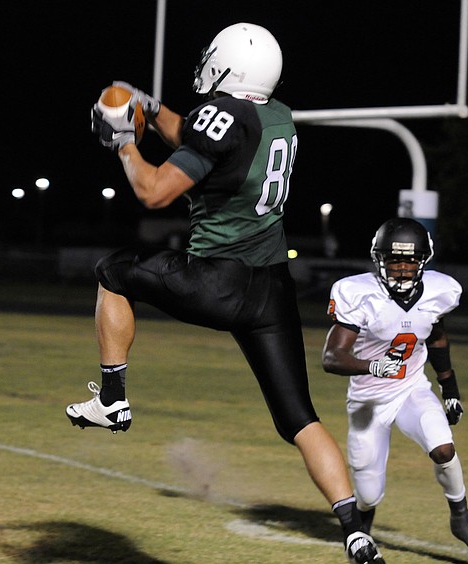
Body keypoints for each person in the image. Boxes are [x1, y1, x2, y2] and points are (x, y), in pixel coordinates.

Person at [65, 22, 384, 563]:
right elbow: (200, 134)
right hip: (272, 290)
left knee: (112, 271)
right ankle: (355, 531)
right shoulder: (276, 114)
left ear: (228, 65)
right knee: (299, 419)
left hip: (217, 280)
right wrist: (149, 107)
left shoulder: (226, 118)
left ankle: (114, 400)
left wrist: (124, 139)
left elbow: (154, 191)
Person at [322, 218, 468, 560]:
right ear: (379, 260)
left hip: (411, 387)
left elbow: (436, 335)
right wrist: (372, 366)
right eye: (394, 261)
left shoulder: (438, 291)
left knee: (444, 448)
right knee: (369, 495)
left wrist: (450, 389)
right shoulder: (358, 294)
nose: (401, 269)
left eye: (409, 262)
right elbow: (332, 357)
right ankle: (361, 530)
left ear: (423, 262)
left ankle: (461, 518)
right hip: (368, 398)